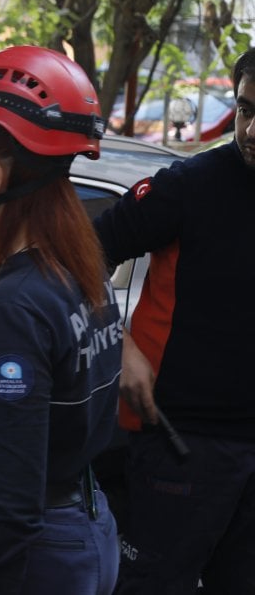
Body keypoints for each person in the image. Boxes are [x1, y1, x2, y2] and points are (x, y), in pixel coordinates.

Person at [0, 46, 122, 594]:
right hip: (78, 521)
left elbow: (10, 500)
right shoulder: (78, 266)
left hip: (25, 552)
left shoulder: (18, 305)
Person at [95, 48, 255, 594]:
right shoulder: (191, 185)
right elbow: (81, 255)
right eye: (245, 110)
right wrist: (118, 343)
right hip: (181, 440)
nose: (252, 129)